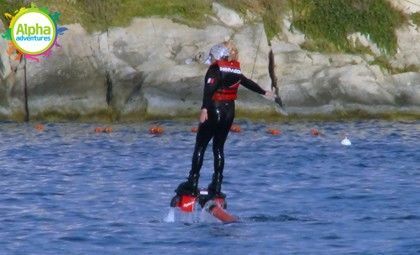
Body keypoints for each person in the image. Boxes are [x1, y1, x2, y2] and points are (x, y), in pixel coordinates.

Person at [173, 41, 275, 203]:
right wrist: (263, 92)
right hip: (229, 112)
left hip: (214, 109)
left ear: (217, 57)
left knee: (200, 146)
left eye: (212, 56)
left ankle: (192, 183)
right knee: (218, 147)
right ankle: (217, 184)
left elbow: (209, 91)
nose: (211, 60)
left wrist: (204, 109)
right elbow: (247, 82)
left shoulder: (214, 70)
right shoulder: (234, 69)